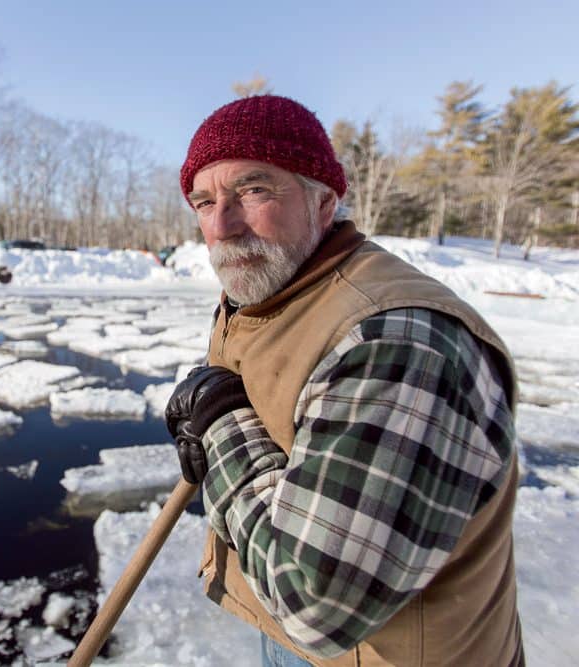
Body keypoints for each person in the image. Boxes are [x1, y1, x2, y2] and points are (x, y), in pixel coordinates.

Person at [164, 95, 523, 666]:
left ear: (324, 201)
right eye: (204, 202)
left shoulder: (398, 342)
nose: (222, 226)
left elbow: (313, 601)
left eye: (253, 190)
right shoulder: (272, 286)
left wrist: (222, 427)